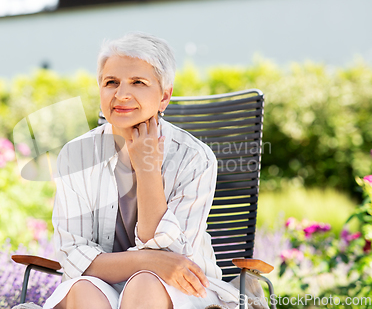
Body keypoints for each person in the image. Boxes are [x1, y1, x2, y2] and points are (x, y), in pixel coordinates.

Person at [42, 32, 241, 309]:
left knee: (144, 283)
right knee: (84, 290)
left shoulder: (195, 158)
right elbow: (74, 254)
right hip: (102, 284)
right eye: (111, 82)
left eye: (138, 82)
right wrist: (145, 260)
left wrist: (147, 169)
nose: (121, 94)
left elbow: (172, 259)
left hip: (180, 290)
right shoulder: (76, 155)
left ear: (164, 97)